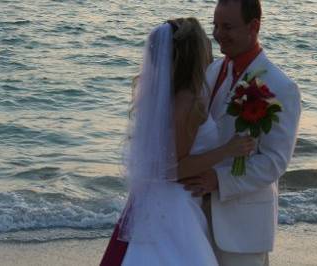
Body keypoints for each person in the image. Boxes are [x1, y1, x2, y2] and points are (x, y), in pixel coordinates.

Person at [100, 17, 255, 266]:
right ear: (194, 53)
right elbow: (172, 169)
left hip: (158, 201)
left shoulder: (167, 97)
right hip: (174, 206)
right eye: (205, 40)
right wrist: (227, 150)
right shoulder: (188, 101)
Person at [179, 1, 302, 265]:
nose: (218, 34)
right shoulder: (212, 71)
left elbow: (274, 162)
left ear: (253, 27)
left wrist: (218, 179)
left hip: (243, 227)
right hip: (197, 215)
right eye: (215, 25)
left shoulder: (281, 86)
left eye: (227, 26)